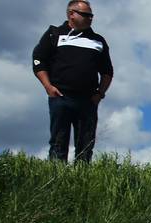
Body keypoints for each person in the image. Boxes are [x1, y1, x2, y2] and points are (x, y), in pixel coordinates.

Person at [32, 1, 113, 163]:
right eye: (86, 15)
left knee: (85, 142)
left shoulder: (98, 40)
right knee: (59, 140)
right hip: (61, 96)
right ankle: (56, 175)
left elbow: (107, 71)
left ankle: (82, 177)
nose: (90, 18)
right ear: (71, 14)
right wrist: (48, 86)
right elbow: (38, 61)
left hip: (87, 99)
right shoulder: (54, 34)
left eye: (91, 15)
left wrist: (99, 94)